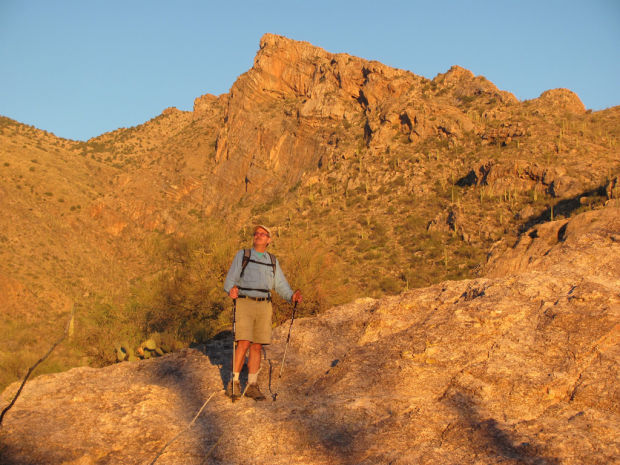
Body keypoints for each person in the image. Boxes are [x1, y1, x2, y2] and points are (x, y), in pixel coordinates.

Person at [223, 224, 302, 400]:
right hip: (245, 301)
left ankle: (252, 385)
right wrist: (231, 290)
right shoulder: (243, 255)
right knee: (243, 342)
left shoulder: (272, 261)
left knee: (257, 346)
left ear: (269, 240)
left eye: (263, 234)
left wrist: (291, 296)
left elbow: (280, 285)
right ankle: (234, 383)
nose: (258, 236)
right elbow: (230, 280)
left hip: (264, 305)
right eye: (256, 233)